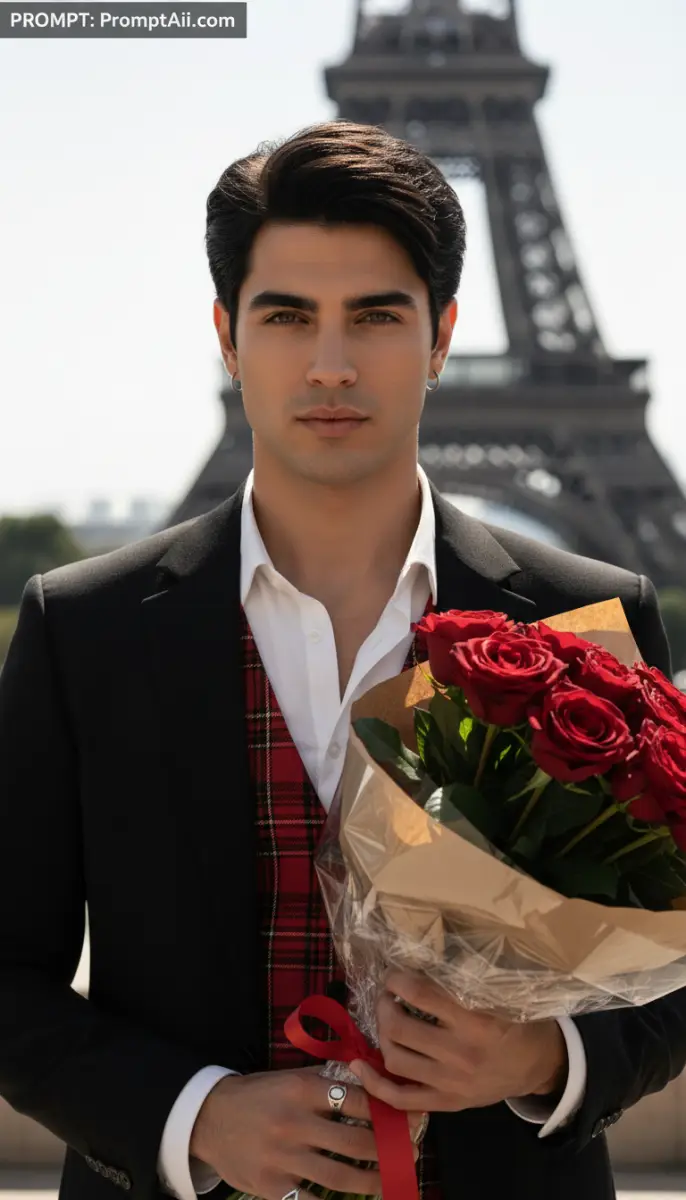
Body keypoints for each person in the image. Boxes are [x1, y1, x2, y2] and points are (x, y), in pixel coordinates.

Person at [0, 119, 682, 1200]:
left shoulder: (586, 617)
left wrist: (546, 1059)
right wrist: (190, 1117)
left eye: (374, 316)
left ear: (441, 334)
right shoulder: (81, 628)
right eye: (286, 317)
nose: (328, 362)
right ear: (226, 337)